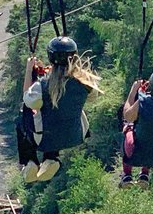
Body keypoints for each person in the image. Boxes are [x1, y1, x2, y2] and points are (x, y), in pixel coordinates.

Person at [16, 36, 100, 183]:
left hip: (45, 139)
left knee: (23, 115)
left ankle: (30, 160)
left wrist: (30, 70)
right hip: (76, 135)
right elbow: (91, 96)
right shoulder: (85, 83)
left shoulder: (42, 86)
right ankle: (50, 158)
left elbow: (28, 100)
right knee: (59, 116)